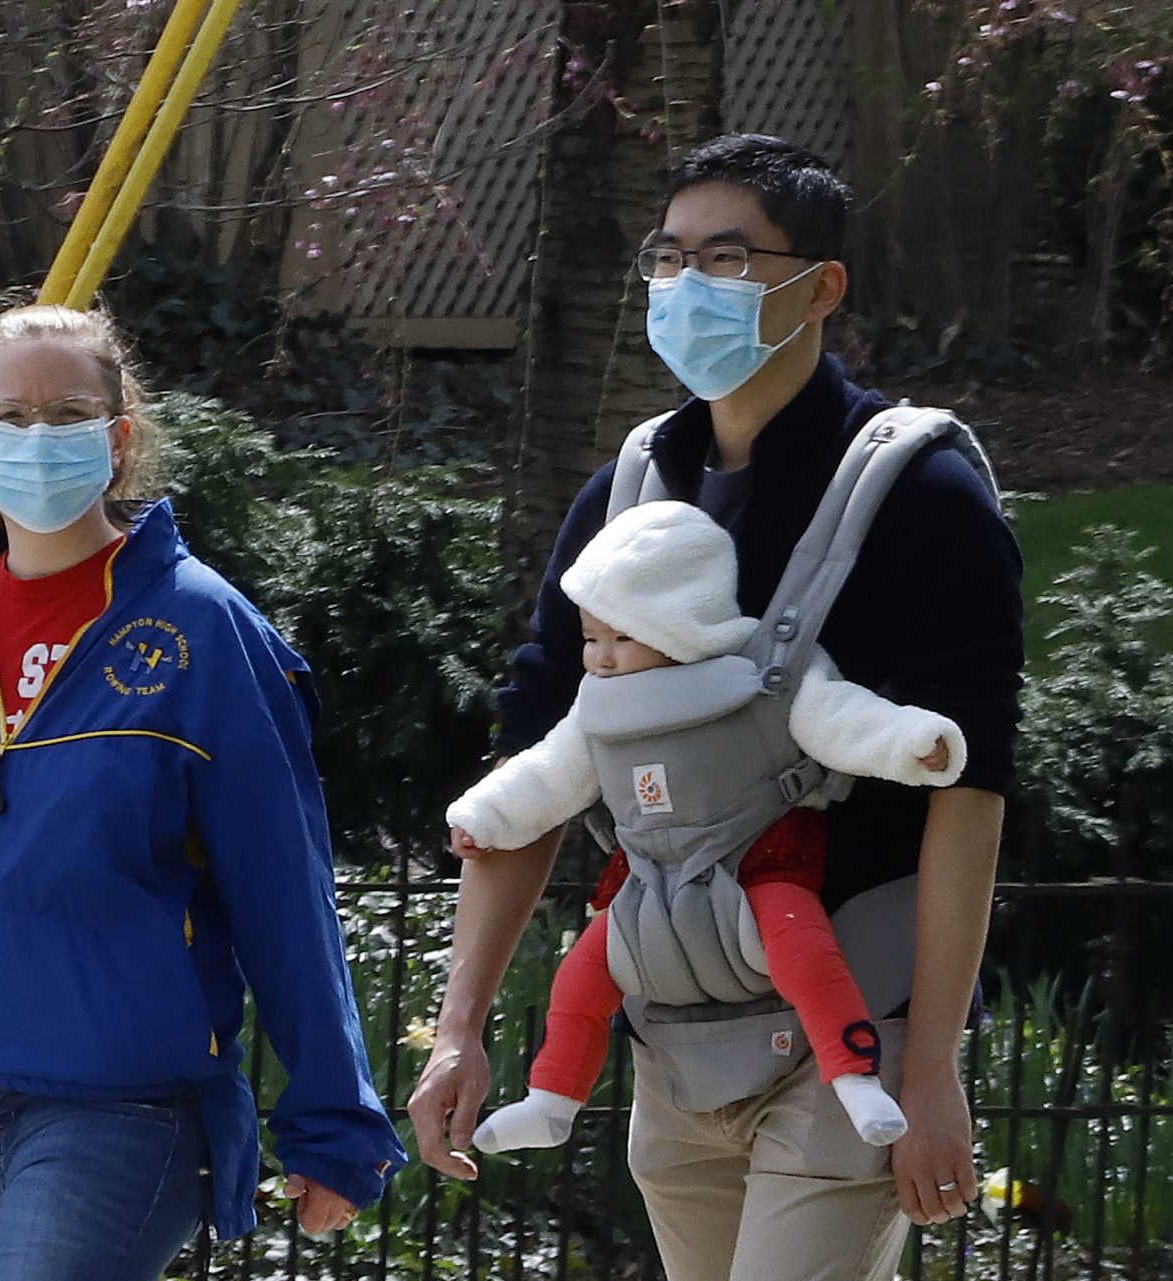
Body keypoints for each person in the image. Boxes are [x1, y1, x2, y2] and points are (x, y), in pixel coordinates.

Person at [407, 135, 1023, 1281]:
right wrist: (459, 1029)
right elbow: (534, 770)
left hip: (855, 1032)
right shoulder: (625, 499)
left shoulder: (922, 494)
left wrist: (933, 1064)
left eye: (729, 259)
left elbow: (971, 786)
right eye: (670, 258)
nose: (689, 286)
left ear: (822, 286)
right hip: (678, 1039)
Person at [0, 302, 406, 1281]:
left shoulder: (206, 632)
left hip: (128, 1108)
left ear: (119, 437)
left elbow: (285, 896)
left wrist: (335, 1119)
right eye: (11, 416)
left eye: (68, 415)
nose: (38, 438)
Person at [445, 500, 966, 1154]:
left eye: (622, 638)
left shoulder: (762, 678)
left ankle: (854, 1076)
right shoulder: (597, 708)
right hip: (649, 883)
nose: (601, 658)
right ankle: (551, 1101)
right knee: (579, 978)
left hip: (755, 865)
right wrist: (484, 817)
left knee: (806, 953)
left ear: (679, 622)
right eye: (590, 638)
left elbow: (841, 718)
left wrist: (911, 743)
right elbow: (547, 774)